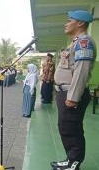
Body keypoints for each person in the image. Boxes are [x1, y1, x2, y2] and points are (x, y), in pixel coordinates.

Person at [51, 10, 96, 170]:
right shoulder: (75, 43)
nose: (66, 23)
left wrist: (73, 96)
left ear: (80, 23)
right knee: (66, 127)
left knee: (72, 128)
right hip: (65, 92)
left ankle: (74, 162)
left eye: (69, 20)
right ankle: (70, 159)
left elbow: (81, 71)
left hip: (71, 94)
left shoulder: (84, 42)